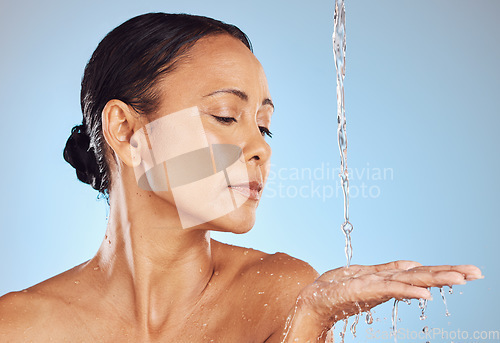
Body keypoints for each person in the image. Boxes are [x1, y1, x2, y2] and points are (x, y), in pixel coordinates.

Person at [0, 13, 482, 343]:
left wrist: (310, 319)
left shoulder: (281, 294)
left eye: (264, 125)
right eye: (227, 116)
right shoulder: (19, 327)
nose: (261, 148)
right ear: (127, 132)